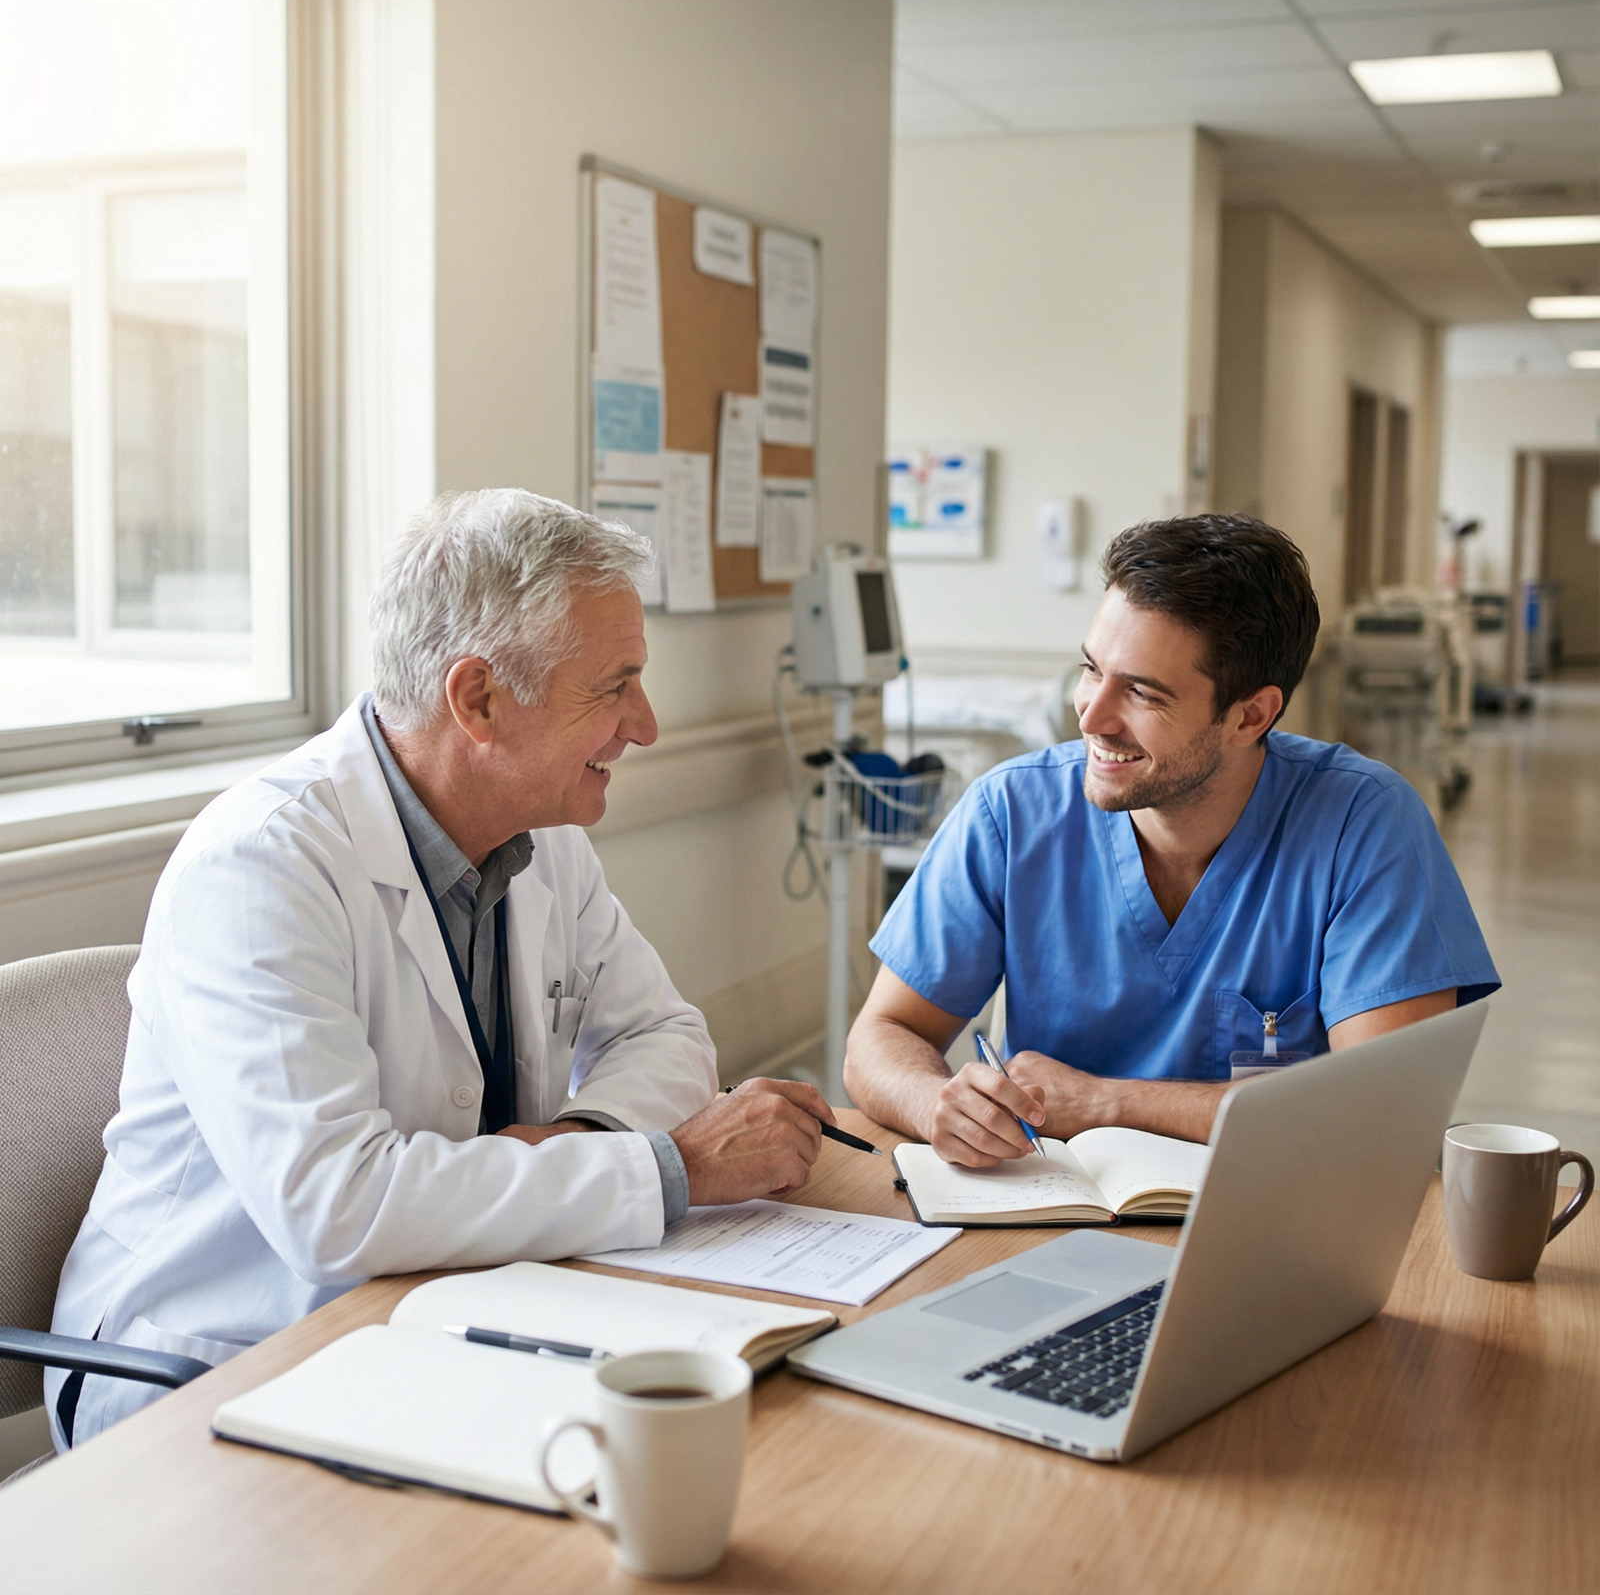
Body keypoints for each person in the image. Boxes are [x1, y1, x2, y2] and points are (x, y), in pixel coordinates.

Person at [49, 489, 833, 1449]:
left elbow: (664, 1034)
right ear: (478, 700)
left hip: (442, 1315)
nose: (648, 724)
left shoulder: (541, 839)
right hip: (220, 1364)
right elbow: (338, 1210)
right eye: (614, 685)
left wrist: (577, 1141)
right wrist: (667, 1166)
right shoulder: (259, 865)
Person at [845, 514, 1499, 1167]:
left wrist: (1109, 1103)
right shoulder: (1011, 814)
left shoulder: (1364, 826)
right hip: (1049, 1212)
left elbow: (1381, 1111)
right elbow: (882, 1036)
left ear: (1251, 715)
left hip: (1272, 1219)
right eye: (1091, 670)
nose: (1093, 716)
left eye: (1142, 693)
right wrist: (938, 1103)